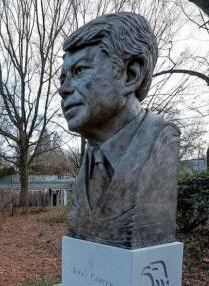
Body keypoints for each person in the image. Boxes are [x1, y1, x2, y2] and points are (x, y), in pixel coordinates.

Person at [60, 12, 180, 249]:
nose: (62, 89)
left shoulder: (160, 143)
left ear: (131, 74)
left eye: (79, 71)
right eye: (63, 78)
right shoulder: (91, 158)